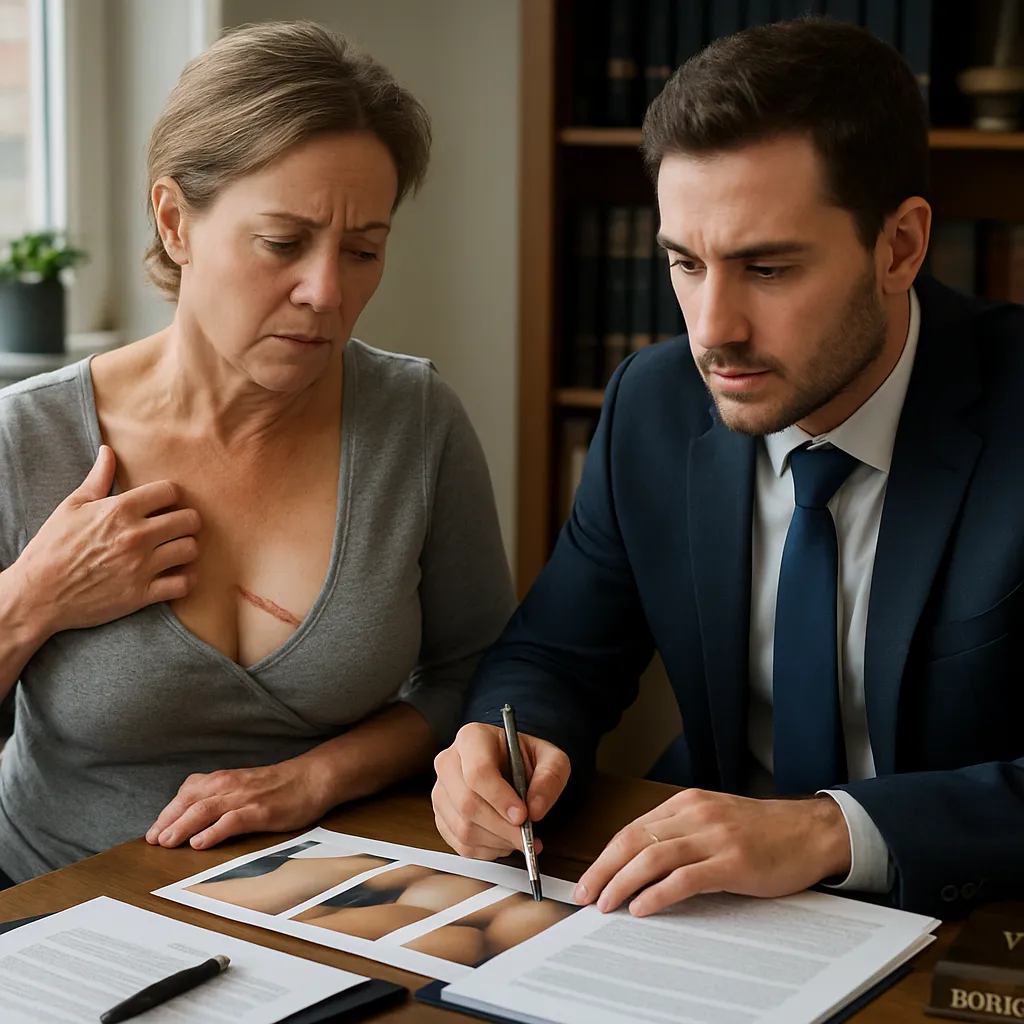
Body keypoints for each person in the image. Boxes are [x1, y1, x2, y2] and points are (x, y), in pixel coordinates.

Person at [432, 17, 1024, 922]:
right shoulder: (654, 403)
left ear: (900, 247)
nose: (712, 330)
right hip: (702, 914)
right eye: (685, 263)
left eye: (768, 268)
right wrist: (506, 744)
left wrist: (832, 831)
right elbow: (557, 653)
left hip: (969, 923)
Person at [0, 21, 515, 887]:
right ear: (176, 222)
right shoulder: (25, 438)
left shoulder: (416, 422)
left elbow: (475, 677)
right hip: (57, 906)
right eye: (283, 243)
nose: (327, 291)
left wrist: (315, 779)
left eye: (364, 250)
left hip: (322, 903)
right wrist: (33, 597)